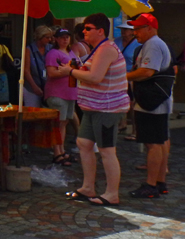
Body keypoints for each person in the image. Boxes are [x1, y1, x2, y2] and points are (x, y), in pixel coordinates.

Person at [58, 13, 129, 207]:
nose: (84, 31)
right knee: (83, 143)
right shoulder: (97, 49)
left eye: (88, 28)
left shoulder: (106, 49)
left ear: (100, 31)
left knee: (106, 150)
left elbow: (96, 77)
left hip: (106, 108)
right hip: (92, 107)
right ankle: (88, 187)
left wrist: (70, 71)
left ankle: (112, 193)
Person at [126, 14, 172, 199]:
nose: (135, 32)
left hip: (151, 102)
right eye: (134, 28)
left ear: (150, 28)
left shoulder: (153, 44)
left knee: (152, 144)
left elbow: (146, 71)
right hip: (157, 101)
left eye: (138, 28)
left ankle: (151, 185)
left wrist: (123, 76)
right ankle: (160, 182)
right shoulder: (155, 43)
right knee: (158, 142)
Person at [45, 28, 78, 166]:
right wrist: (68, 71)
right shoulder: (53, 53)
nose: (65, 40)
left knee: (64, 123)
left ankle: (61, 150)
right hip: (57, 93)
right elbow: (51, 73)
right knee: (58, 123)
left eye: (67, 37)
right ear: (56, 39)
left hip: (70, 92)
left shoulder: (70, 52)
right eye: (62, 37)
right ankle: (57, 152)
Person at [23, 25, 53, 108]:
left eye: (50, 37)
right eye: (47, 37)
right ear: (40, 37)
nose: (49, 40)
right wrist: (34, 87)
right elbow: (26, 70)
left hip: (47, 85)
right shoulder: (28, 50)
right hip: (32, 85)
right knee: (33, 110)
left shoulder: (51, 48)